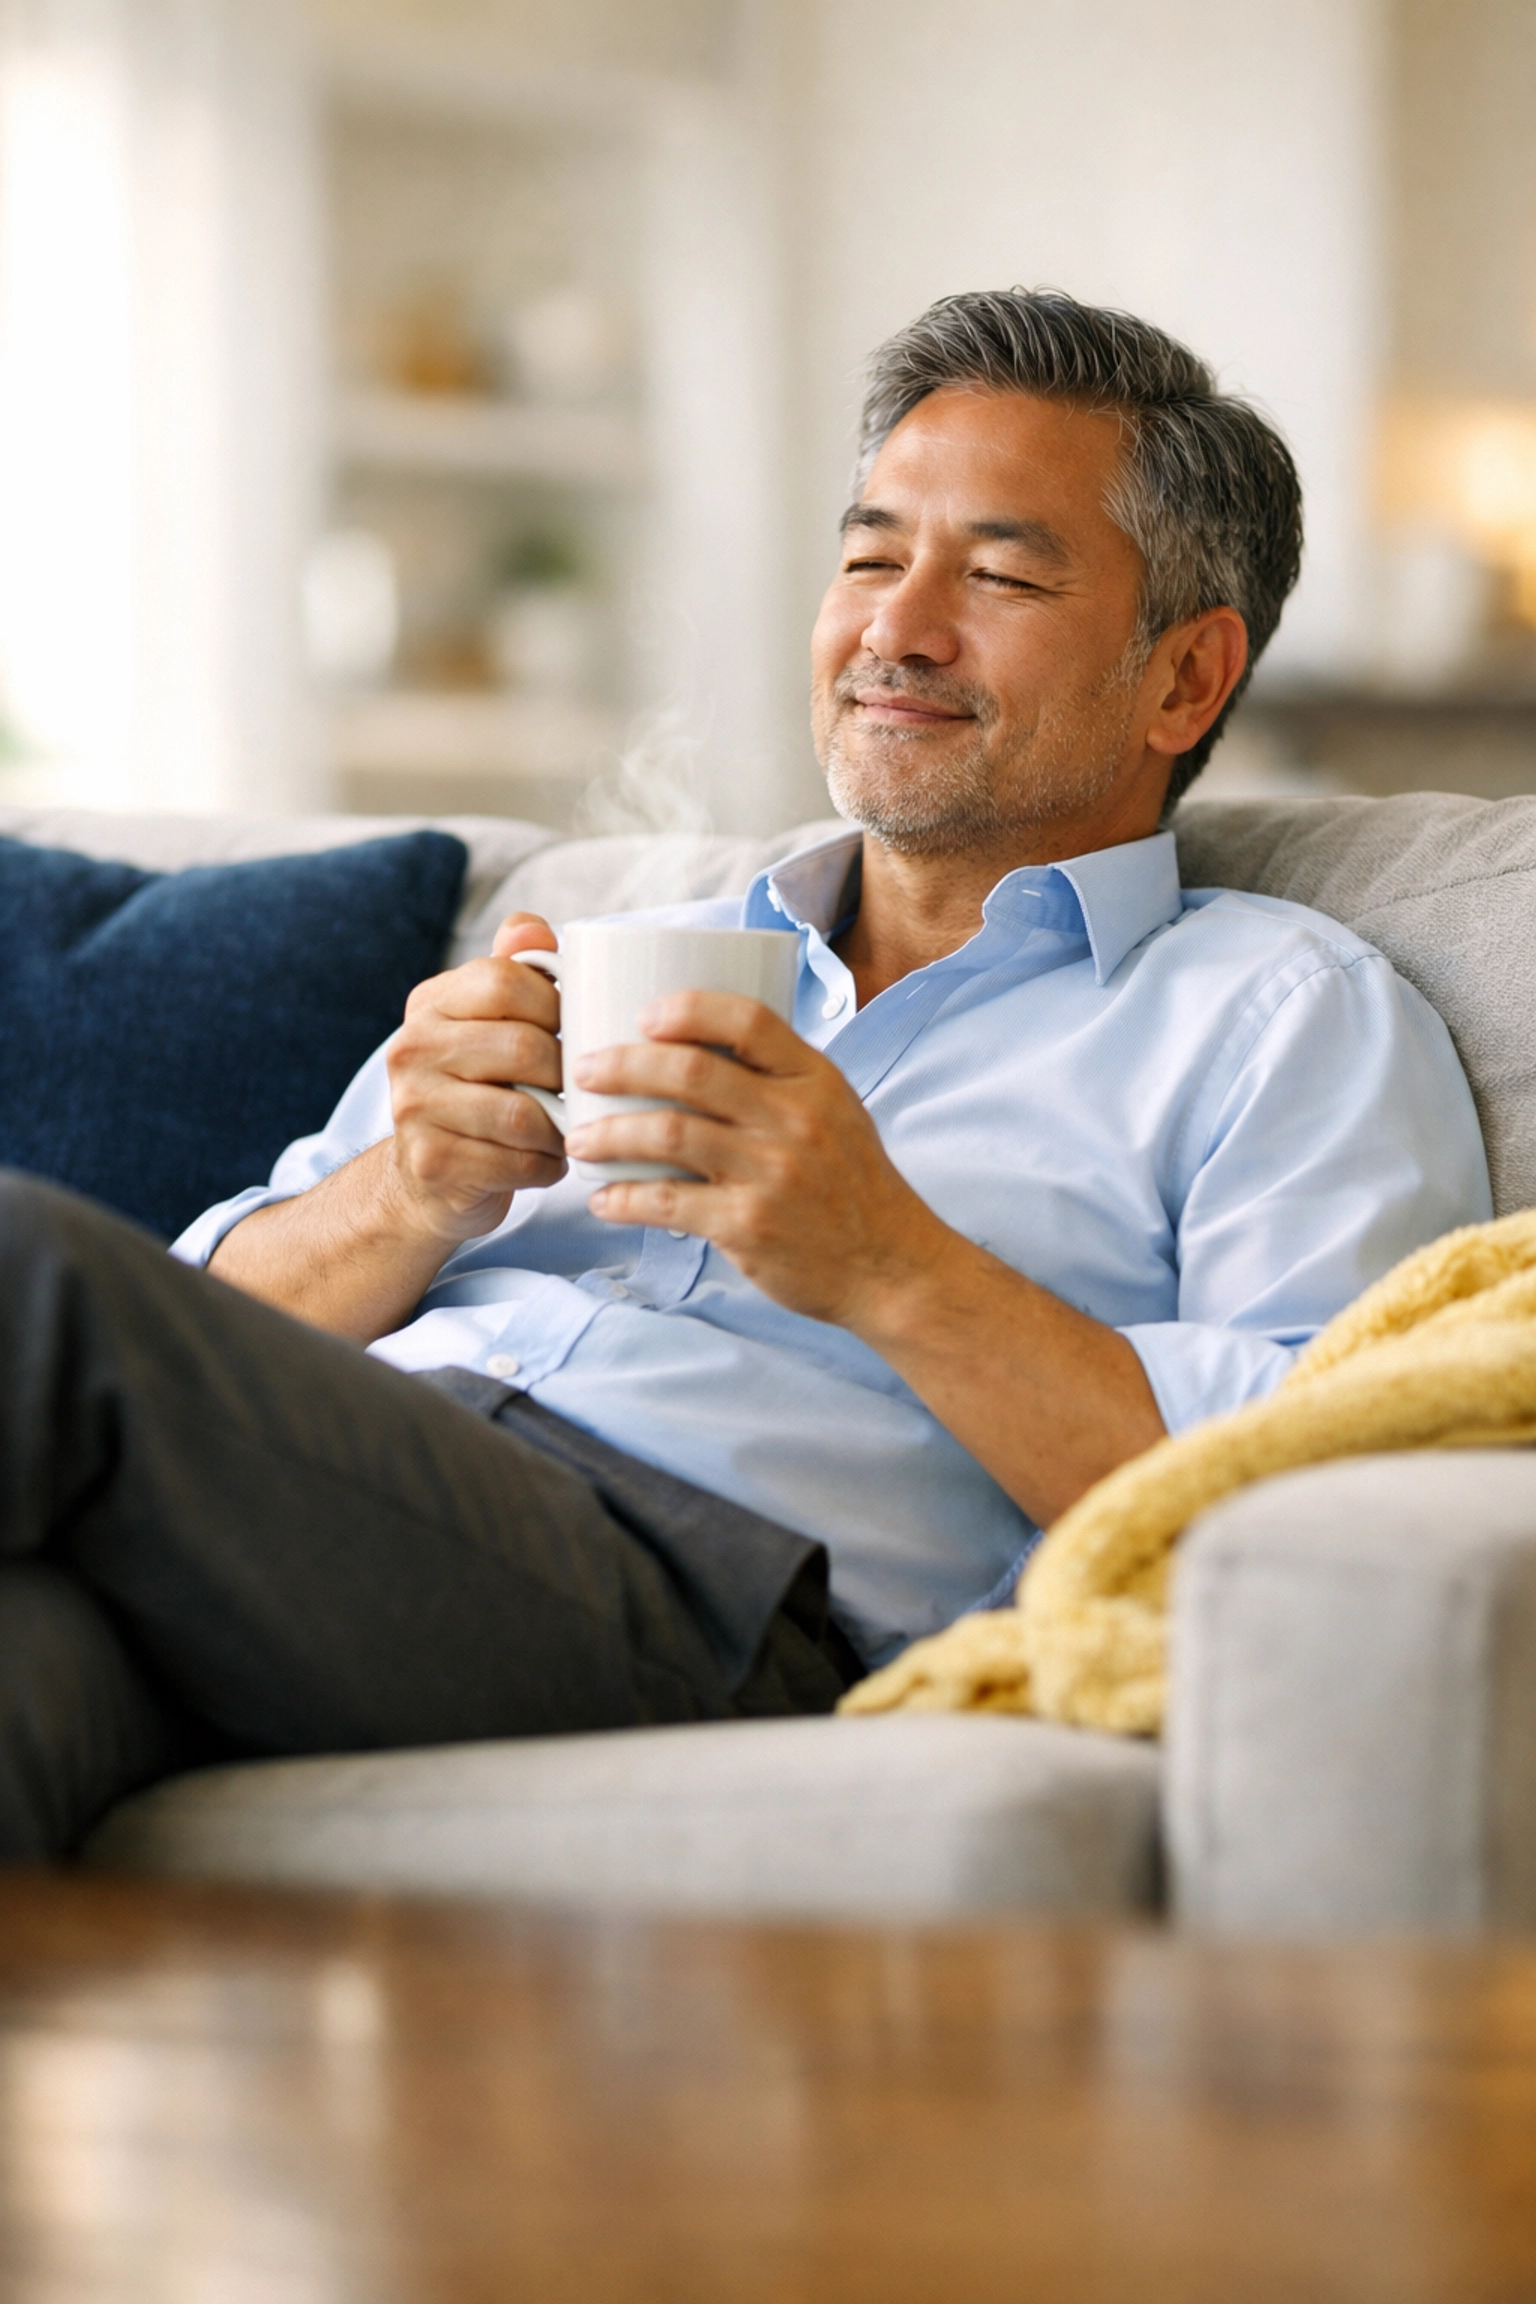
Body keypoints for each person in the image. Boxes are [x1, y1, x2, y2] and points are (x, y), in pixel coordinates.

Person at [0, 289, 1489, 1858]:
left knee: (30, 1266)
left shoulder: (1280, 1017)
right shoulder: (624, 950)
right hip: (339, 1512)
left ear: (1184, 680)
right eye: (866, 559)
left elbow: (1305, 1492)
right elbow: (199, 1347)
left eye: (993, 575)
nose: (893, 630)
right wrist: (406, 1193)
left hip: (704, 1601)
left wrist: (885, 1263)